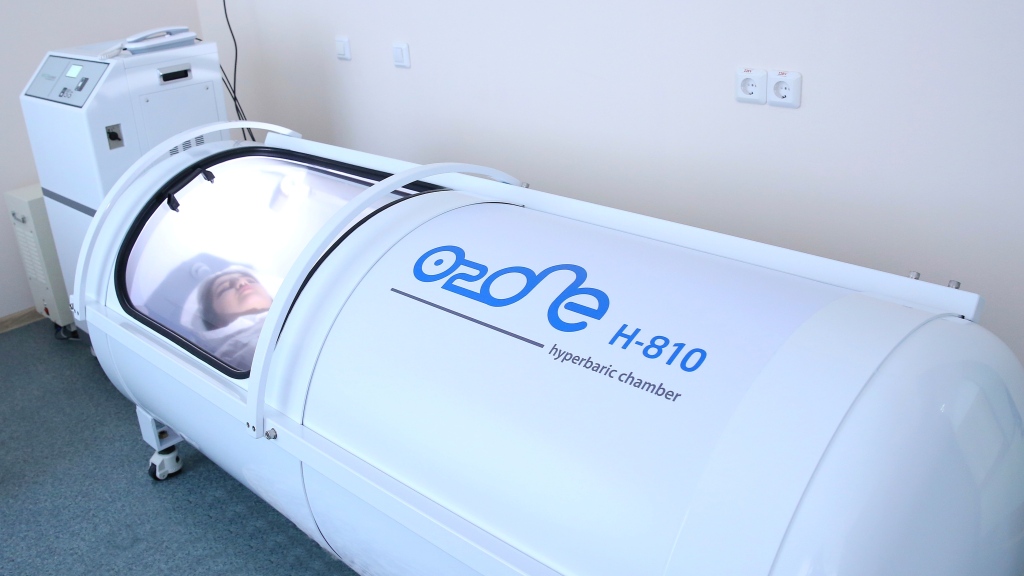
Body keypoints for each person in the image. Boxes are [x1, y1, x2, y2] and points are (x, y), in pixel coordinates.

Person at [191, 266, 273, 372]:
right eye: (225, 288)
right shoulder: (231, 364)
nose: (242, 282)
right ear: (216, 320)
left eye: (250, 281)